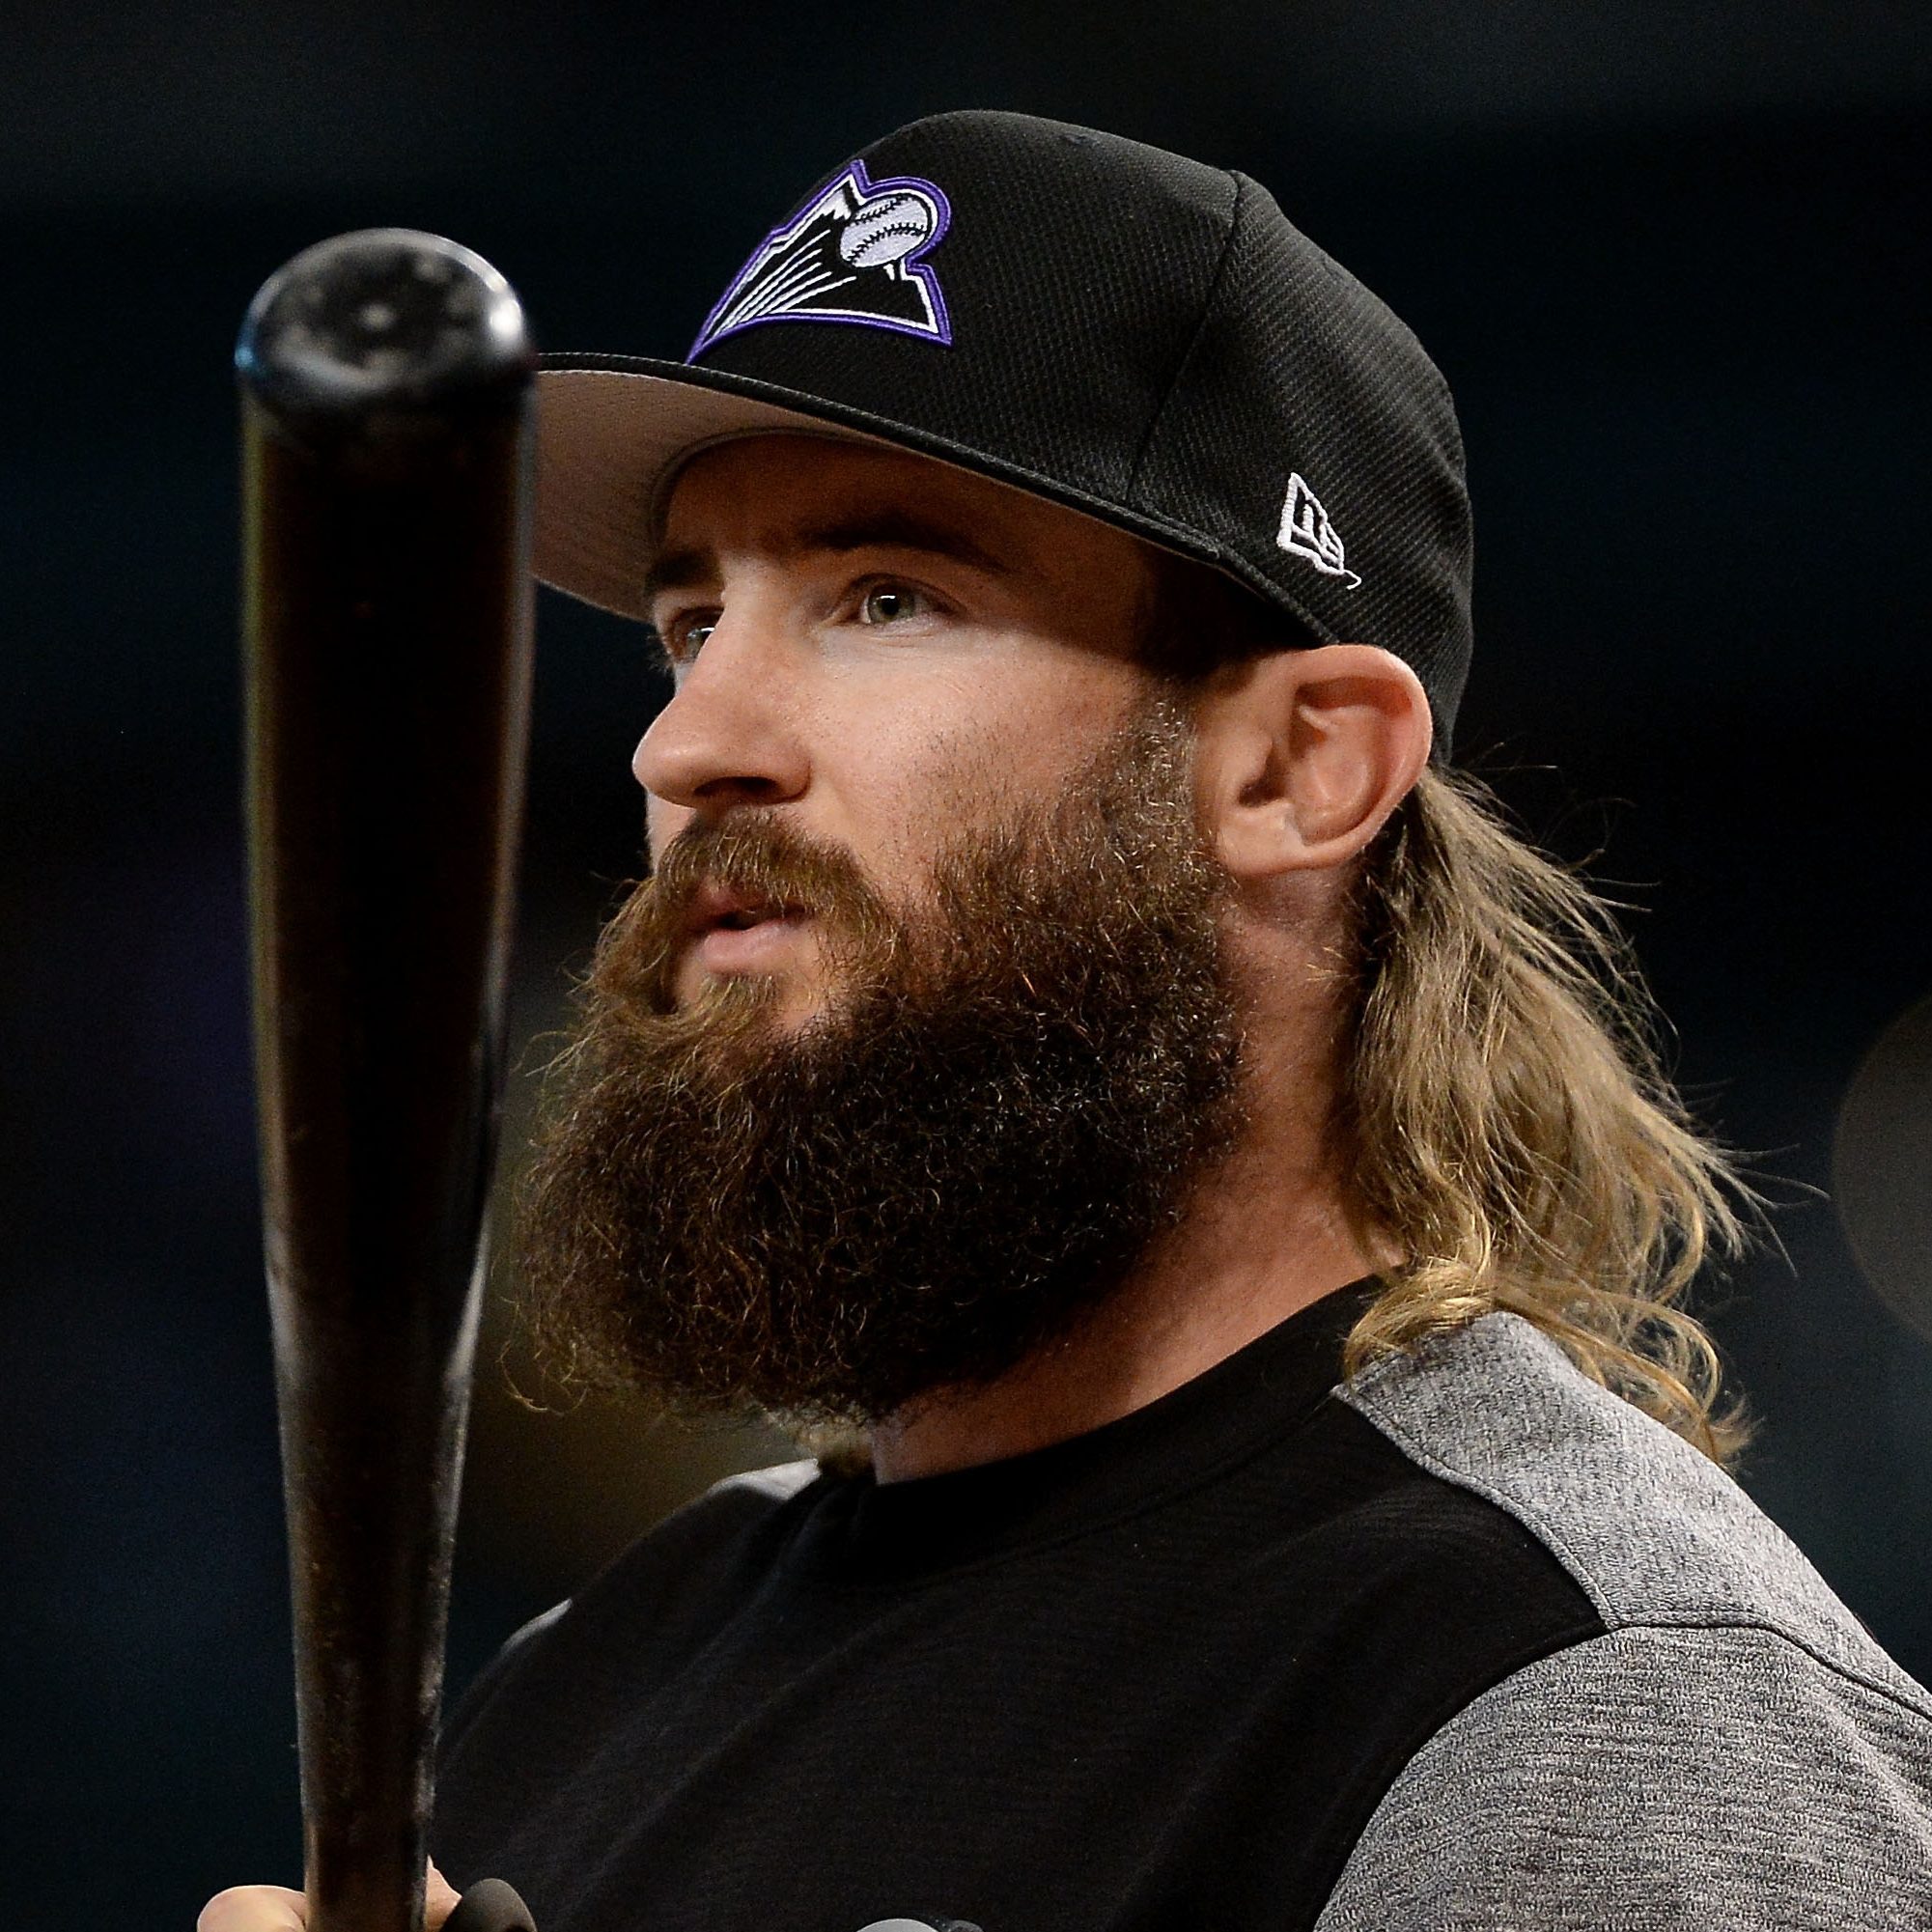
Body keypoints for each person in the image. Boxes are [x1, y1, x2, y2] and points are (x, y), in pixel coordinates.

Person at [202, 109, 1932, 1932]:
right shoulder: (594, 1680)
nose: (684, 743)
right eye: (689, 620)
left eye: (885, 597)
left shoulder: (1582, 1698)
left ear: (1294, 765)